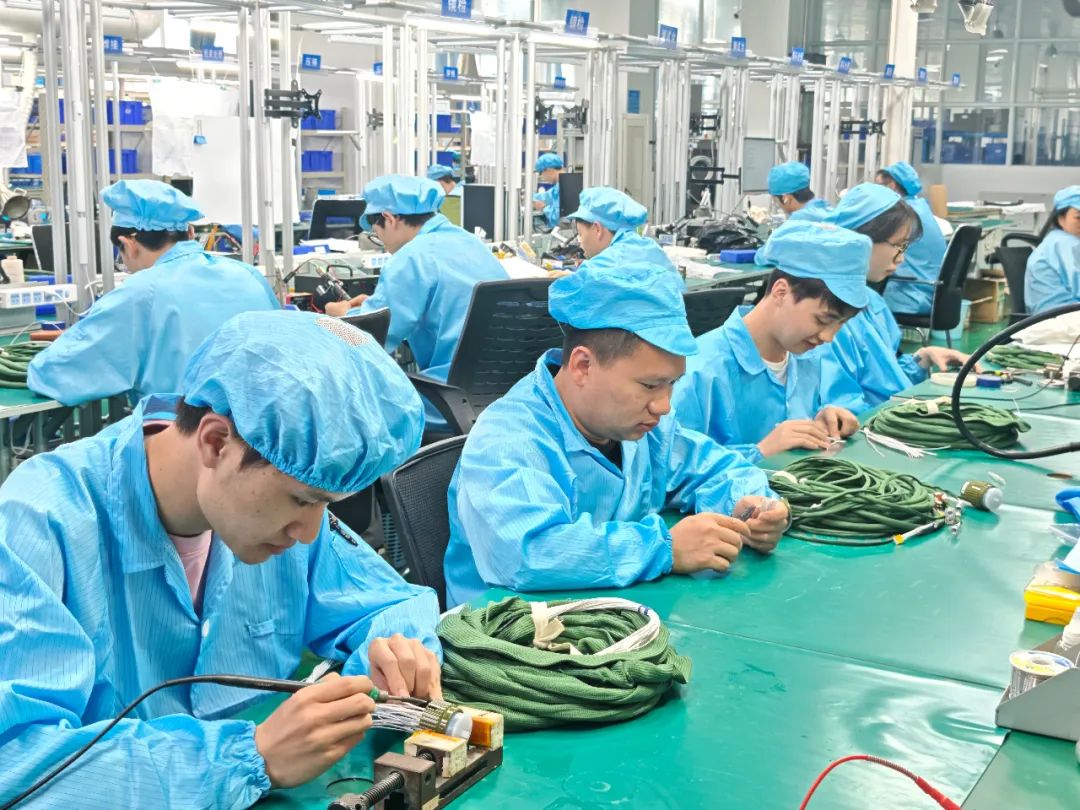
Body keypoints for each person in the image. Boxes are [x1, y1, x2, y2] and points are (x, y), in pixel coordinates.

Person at [0, 311, 441, 807]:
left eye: (326, 504)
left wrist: (395, 652)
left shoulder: (273, 496)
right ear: (215, 442)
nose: (309, 533)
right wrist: (249, 756)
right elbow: (15, 761)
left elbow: (391, 603)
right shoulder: (39, 523)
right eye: (303, 500)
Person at [443, 262, 788, 608]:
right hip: (511, 630)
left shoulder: (644, 429)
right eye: (650, 385)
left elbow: (717, 468)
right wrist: (663, 548)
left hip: (611, 615)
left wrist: (753, 505)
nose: (664, 405)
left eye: (672, 384)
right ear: (583, 366)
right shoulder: (508, 440)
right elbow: (527, 552)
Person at [28, 179, 279, 406]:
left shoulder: (140, 293)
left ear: (128, 244)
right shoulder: (249, 275)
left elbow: (54, 374)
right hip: (263, 430)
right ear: (190, 233)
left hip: (184, 435)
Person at [673, 221, 870, 463]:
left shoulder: (806, 356)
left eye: (840, 324)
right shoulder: (700, 372)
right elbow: (671, 467)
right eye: (822, 320)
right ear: (781, 292)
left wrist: (821, 421)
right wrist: (760, 451)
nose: (828, 337)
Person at [324, 175, 507, 424]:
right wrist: (375, 304)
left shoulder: (411, 258)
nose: (383, 243)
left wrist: (339, 317)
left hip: (448, 399)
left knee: (350, 408)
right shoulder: (470, 242)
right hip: (503, 395)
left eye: (376, 233)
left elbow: (368, 337)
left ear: (388, 218)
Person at [820, 183, 971, 407]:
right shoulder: (826, 314)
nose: (901, 259)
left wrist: (922, 358)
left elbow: (885, 379)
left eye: (905, 248)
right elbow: (842, 408)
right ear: (861, 239)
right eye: (898, 246)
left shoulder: (872, 303)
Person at [875, 162, 948, 316]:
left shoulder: (900, 214)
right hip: (932, 292)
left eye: (879, 186)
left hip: (911, 294)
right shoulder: (920, 207)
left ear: (891, 186)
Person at [568, 186, 679, 277]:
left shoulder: (596, 270)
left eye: (580, 234)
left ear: (597, 229)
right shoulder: (654, 251)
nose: (580, 242)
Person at [1026, 185, 1080, 314]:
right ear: (1061, 218)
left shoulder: (1055, 240)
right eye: (1078, 218)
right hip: (1061, 318)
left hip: (1055, 315)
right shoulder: (1066, 244)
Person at [532, 152, 564, 230]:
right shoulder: (558, 187)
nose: (542, 176)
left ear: (549, 170)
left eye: (541, 172)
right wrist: (529, 197)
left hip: (564, 232)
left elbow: (559, 219)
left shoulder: (565, 187)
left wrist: (544, 207)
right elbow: (546, 196)